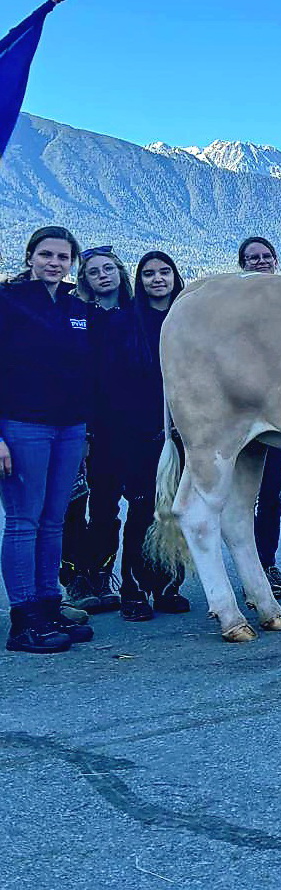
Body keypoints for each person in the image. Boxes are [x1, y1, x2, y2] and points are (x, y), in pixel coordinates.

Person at [0, 226, 95, 653]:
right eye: (46, 255)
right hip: (22, 427)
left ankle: (49, 603)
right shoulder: (7, 302)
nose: (54, 263)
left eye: (63, 257)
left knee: (55, 521)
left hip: (70, 427)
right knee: (24, 522)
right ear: (30, 256)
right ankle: (24, 620)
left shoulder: (76, 308)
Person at [90, 251, 190, 621]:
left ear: (174, 276)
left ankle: (168, 585)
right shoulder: (123, 324)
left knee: (178, 510)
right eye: (148, 273)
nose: (157, 279)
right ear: (140, 280)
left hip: (185, 430)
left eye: (164, 271)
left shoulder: (188, 320)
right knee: (143, 509)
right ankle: (133, 589)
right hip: (137, 432)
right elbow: (110, 383)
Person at [62, 245, 133, 613]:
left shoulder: (136, 317)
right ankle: (75, 578)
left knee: (107, 506)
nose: (103, 275)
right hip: (83, 424)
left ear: (120, 272)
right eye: (94, 271)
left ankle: (102, 575)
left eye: (109, 268)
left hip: (124, 427)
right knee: (74, 505)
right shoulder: (78, 316)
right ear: (86, 281)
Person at [239, 236, 281, 599]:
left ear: (275, 260)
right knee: (237, 497)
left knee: (271, 496)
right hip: (240, 410)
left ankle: (266, 562)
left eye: (265, 256)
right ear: (242, 265)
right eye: (252, 258)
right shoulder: (234, 308)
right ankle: (248, 569)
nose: (260, 262)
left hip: (279, 413)